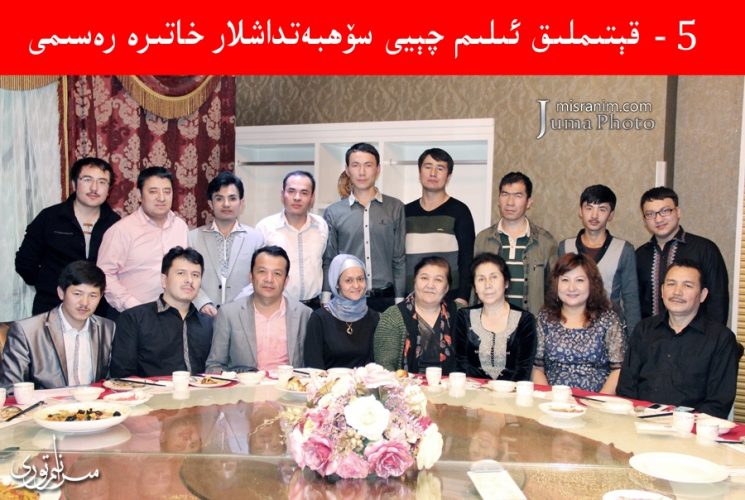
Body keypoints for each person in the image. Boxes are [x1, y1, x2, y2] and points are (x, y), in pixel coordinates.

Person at [617, 260, 739, 419]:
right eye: (671, 284)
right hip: (638, 421)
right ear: (662, 291)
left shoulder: (721, 339)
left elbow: (718, 403)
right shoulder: (644, 329)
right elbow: (626, 387)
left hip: (689, 428)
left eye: (687, 285)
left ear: (702, 295)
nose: (677, 292)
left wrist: (681, 424)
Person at [15, 157, 120, 315]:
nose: (94, 188)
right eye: (87, 179)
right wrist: (49, 286)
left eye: (102, 182)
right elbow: (25, 262)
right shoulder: (50, 217)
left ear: (109, 189)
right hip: (51, 306)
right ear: (74, 184)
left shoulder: (116, 224)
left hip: (98, 309)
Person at [0, 260, 115, 388]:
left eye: (93, 295)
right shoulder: (27, 330)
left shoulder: (108, 328)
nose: (84, 303)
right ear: (61, 293)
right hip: (44, 400)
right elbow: (11, 388)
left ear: (101, 296)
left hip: (94, 400)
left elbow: (112, 380)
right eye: (77, 294)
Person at [323, 143, 406, 313]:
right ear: (347, 170)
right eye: (355, 165)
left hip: (385, 300)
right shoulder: (334, 212)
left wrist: (400, 301)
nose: (362, 172)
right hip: (346, 299)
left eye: (368, 165)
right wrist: (325, 298)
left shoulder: (395, 207)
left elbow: (399, 258)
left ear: (378, 169)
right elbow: (329, 260)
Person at [109, 246, 213, 377]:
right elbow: (122, 375)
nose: (189, 280)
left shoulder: (208, 323)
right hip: (149, 390)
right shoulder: (134, 319)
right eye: (181, 273)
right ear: (164, 280)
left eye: (195, 275)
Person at [97, 166, 188, 315]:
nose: (161, 198)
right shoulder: (121, 230)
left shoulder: (180, 227)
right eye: (153, 191)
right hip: (130, 314)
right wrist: (133, 306)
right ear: (139, 195)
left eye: (167, 191)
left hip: (172, 313)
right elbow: (104, 274)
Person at [205, 246, 312, 372]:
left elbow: (313, 368)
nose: (269, 279)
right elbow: (214, 366)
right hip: (243, 384)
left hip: (288, 383)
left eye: (277, 273)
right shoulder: (228, 314)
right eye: (262, 271)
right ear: (251, 276)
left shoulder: (304, 315)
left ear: (286, 281)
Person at [532, 253, 626, 394]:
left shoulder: (608, 320)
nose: (571, 288)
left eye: (579, 280)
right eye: (565, 280)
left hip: (597, 400)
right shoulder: (544, 318)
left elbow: (618, 370)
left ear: (592, 284)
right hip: (552, 400)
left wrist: (598, 402)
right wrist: (548, 397)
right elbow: (536, 368)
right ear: (556, 283)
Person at [636, 186, 729, 324]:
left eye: (665, 211)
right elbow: (635, 303)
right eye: (650, 214)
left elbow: (718, 300)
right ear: (644, 219)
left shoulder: (704, 249)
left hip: (697, 335)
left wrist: (713, 336)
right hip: (651, 335)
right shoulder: (640, 255)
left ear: (678, 212)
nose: (658, 219)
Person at [558, 184, 640, 332]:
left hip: (610, 330)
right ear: (580, 211)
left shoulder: (624, 249)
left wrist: (634, 337)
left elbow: (631, 299)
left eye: (602, 209)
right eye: (589, 208)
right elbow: (557, 291)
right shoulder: (565, 247)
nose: (594, 215)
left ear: (611, 215)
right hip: (571, 328)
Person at [474, 171, 557, 316]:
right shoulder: (483, 239)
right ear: (499, 199)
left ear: (529, 202)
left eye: (518, 196)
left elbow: (554, 290)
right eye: (505, 194)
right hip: (490, 322)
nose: (510, 202)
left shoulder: (545, 241)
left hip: (531, 324)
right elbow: (473, 288)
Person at [405, 148, 475, 306]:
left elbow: (467, 259)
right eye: (428, 167)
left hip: (449, 299)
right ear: (419, 172)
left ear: (448, 176)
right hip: (411, 299)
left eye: (440, 168)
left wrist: (462, 297)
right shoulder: (405, 212)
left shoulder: (460, 211)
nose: (433, 173)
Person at [189, 171, 263, 316]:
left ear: (241, 203)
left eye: (232, 198)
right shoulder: (192, 237)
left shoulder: (256, 239)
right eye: (219, 198)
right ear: (210, 203)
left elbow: (259, 277)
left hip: (242, 314)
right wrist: (202, 302)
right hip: (202, 314)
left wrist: (238, 304)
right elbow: (186, 277)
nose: (226, 204)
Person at [454, 253, 536, 381]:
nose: (488, 285)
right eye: (481, 279)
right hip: (470, 390)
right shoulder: (464, 317)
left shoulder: (525, 320)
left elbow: (524, 369)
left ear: (506, 283)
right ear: (475, 288)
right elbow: (460, 364)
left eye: (494, 277)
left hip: (512, 391)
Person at [256, 171, 328, 309]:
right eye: (291, 191)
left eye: (304, 193)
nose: (297, 198)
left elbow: (325, 263)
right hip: (278, 306)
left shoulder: (321, 226)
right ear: (282, 195)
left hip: (314, 306)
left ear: (312, 198)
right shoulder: (265, 228)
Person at [373, 256, 458, 374]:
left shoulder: (459, 313)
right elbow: (385, 368)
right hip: (405, 385)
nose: (430, 285)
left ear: (446, 288)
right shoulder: (393, 316)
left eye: (438, 280)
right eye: (424, 278)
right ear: (415, 281)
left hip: (452, 385)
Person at [304, 254, 380, 369]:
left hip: (363, 380)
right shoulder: (319, 319)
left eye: (360, 279)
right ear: (337, 284)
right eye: (348, 280)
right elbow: (313, 365)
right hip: (326, 380)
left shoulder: (374, 318)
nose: (356, 285)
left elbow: (376, 365)